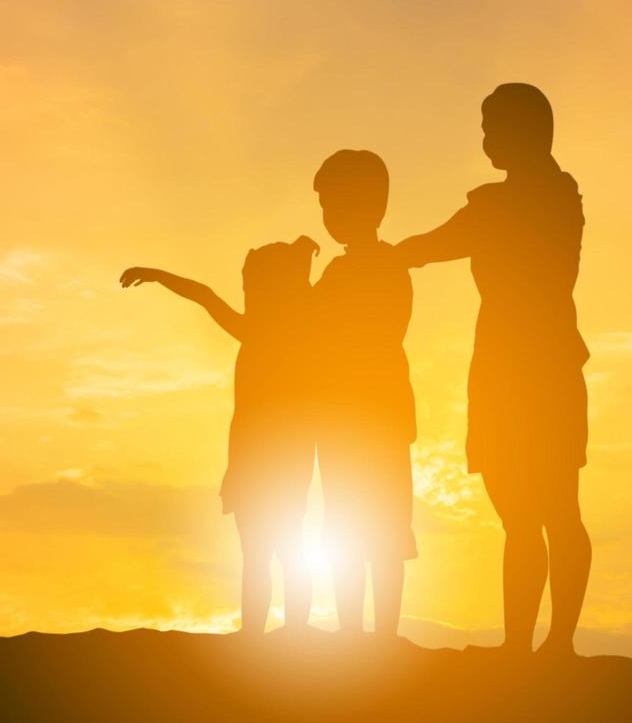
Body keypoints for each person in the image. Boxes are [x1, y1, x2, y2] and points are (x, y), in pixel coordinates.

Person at [394, 82, 591, 659]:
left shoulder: (531, 201)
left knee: (553, 508)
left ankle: (555, 644)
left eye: (492, 127)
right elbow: (438, 242)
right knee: (524, 514)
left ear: (525, 130)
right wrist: (391, 252)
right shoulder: (514, 201)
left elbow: (435, 242)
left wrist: (385, 253)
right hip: (507, 366)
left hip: (540, 366)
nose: (484, 140)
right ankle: (523, 645)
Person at [119, 236, 319, 636]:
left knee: (267, 552)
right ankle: (275, 637)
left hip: (267, 457)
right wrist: (157, 274)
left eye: (252, 285)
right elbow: (204, 294)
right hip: (267, 456)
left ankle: (269, 638)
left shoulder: (262, 334)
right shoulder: (287, 336)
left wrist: (156, 274)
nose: (247, 292)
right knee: (279, 549)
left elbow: (205, 295)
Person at [309, 149, 417, 641]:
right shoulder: (355, 269)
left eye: (331, 204)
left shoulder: (374, 268)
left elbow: (314, 330)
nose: (328, 217)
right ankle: (365, 633)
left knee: (374, 527)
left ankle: (376, 635)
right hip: (361, 413)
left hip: (366, 413)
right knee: (358, 525)